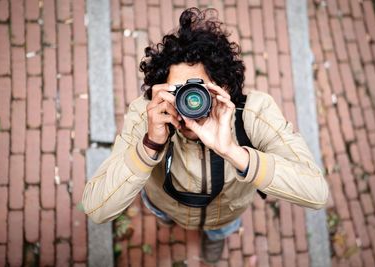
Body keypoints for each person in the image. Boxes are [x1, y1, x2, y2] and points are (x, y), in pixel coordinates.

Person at [82, 7, 329, 264]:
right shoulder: (147, 115)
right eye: (179, 92)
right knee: (163, 215)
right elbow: (96, 209)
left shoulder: (255, 111)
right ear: (163, 91)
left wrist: (232, 151)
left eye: (198, 91)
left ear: (221, 88)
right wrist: (150, 144)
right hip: (165, 203)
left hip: (225, 214)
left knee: (220, 228)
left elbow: (317, 192)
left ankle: (216, 235)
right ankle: (171, 220)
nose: (188, 103)